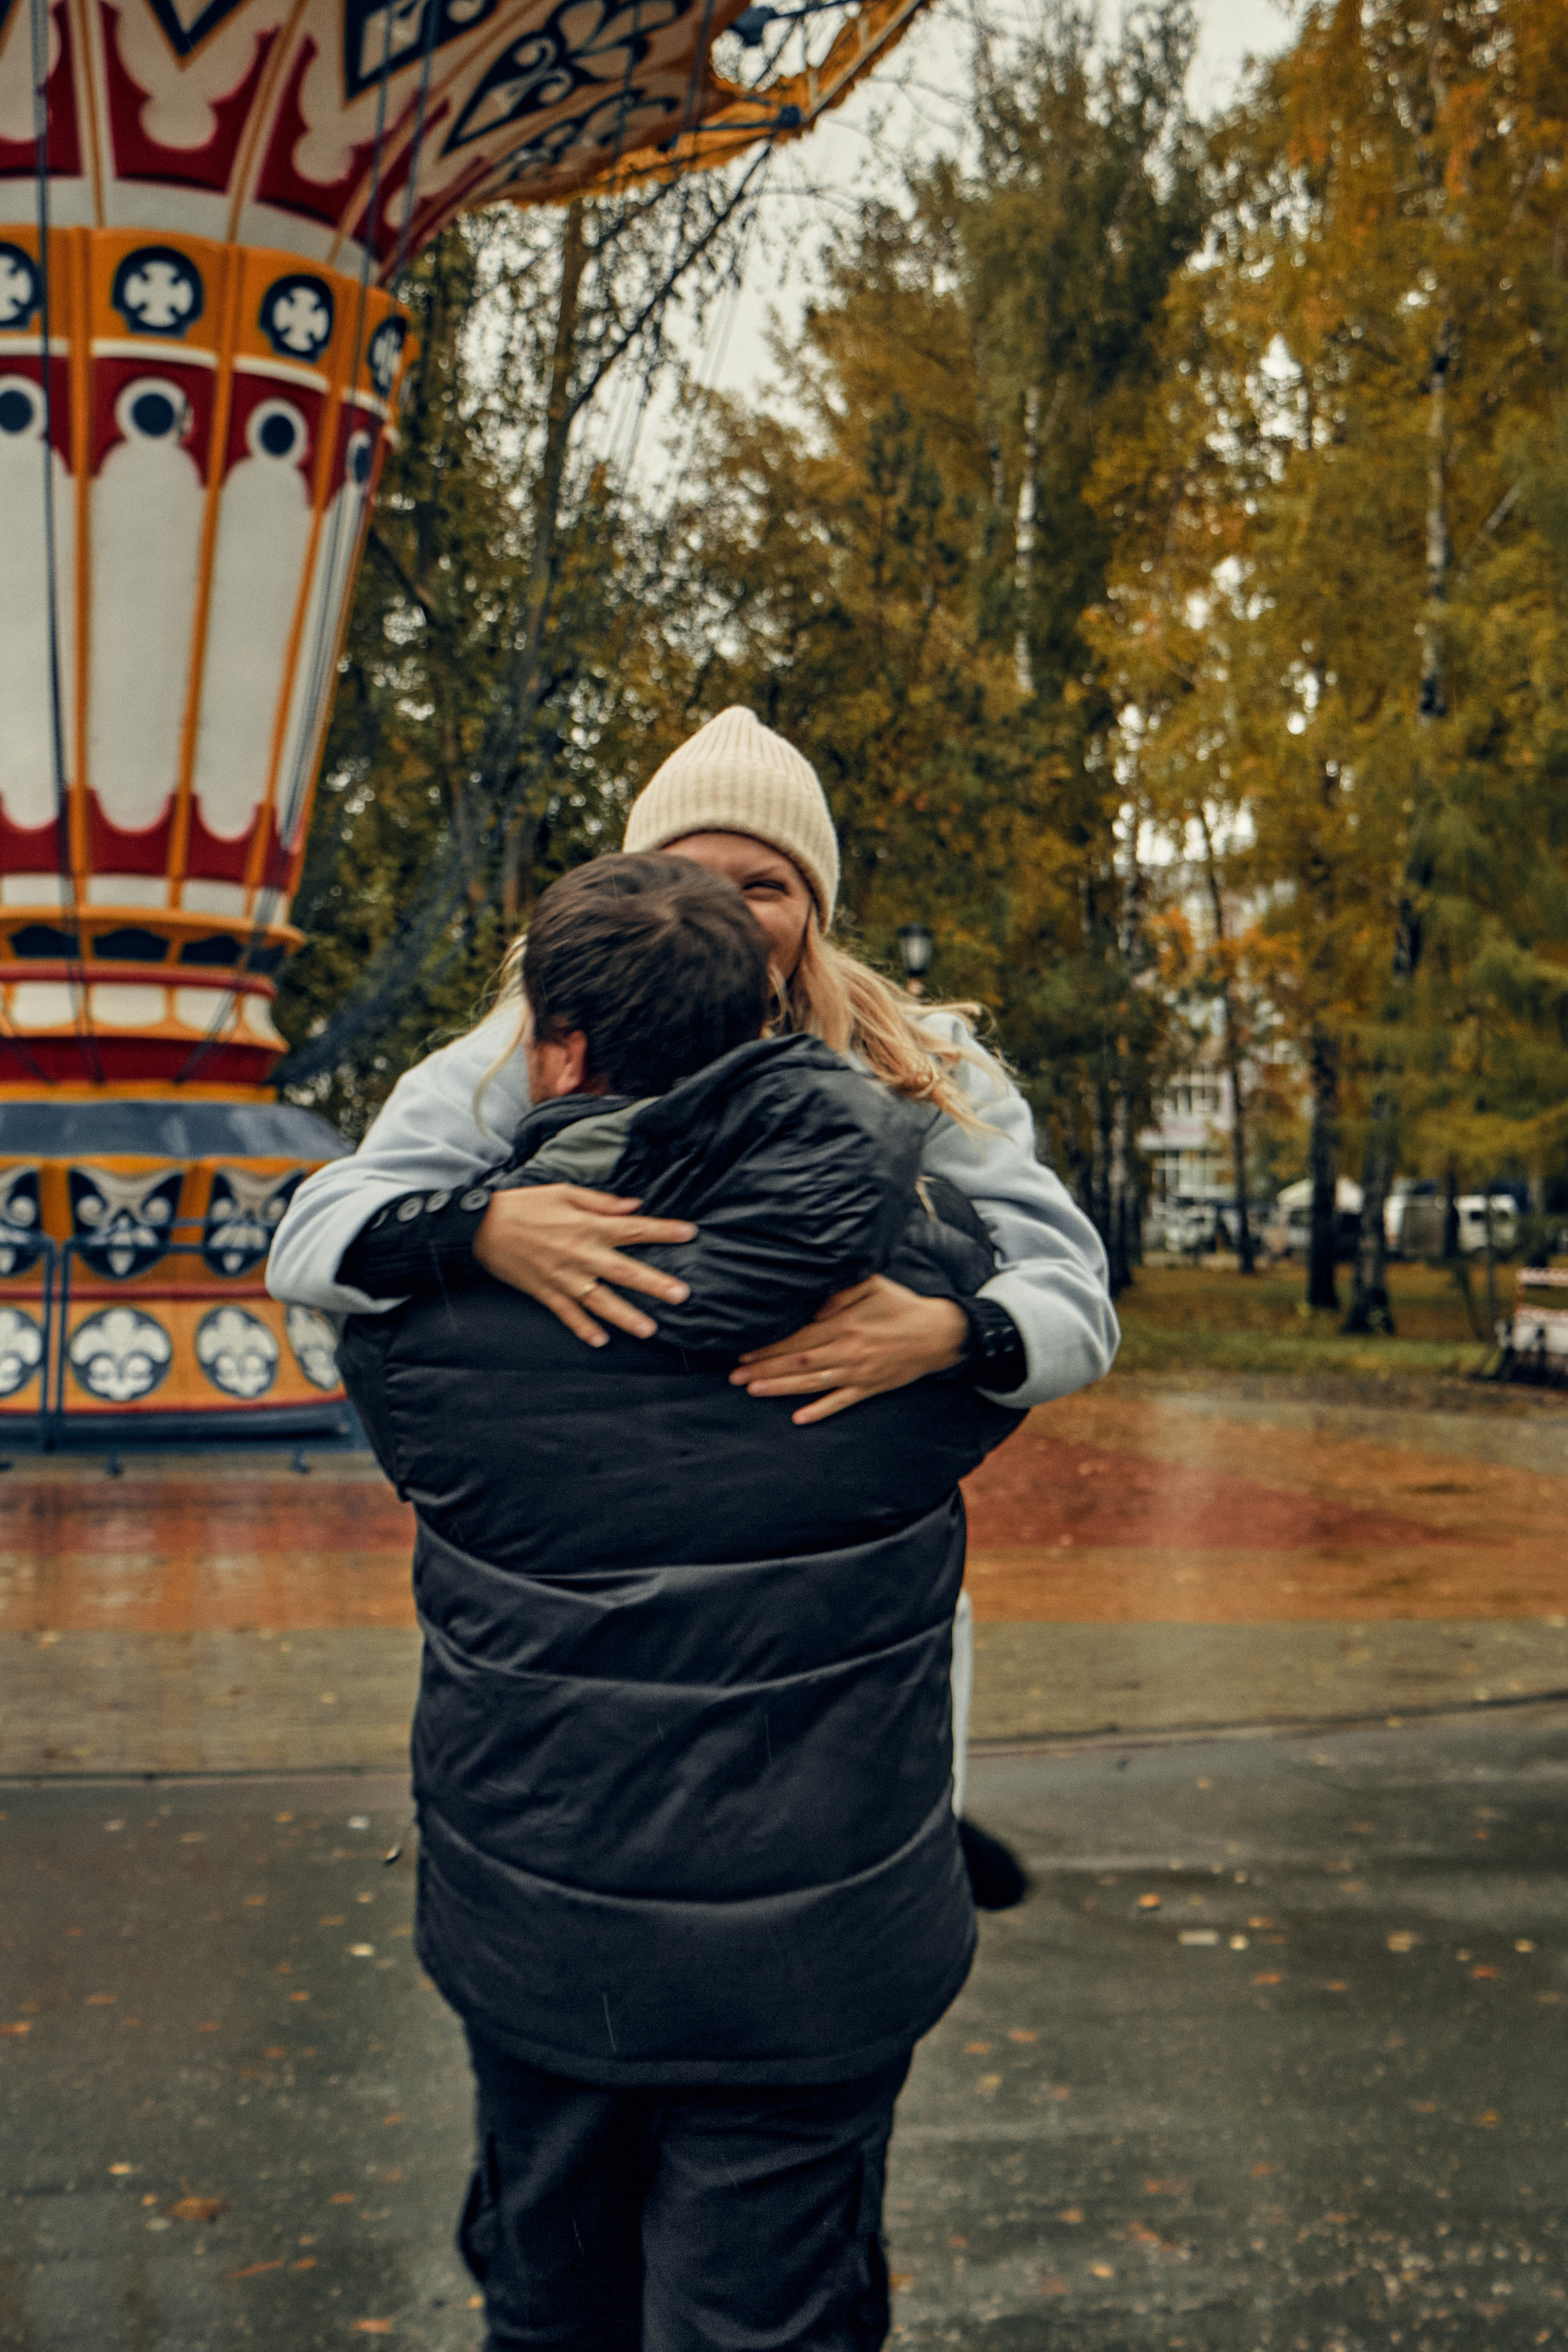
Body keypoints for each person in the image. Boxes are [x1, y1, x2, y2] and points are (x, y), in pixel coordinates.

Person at [333, 853, 1030, 2351]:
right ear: (764, 1027)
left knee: (552, 2302)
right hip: (818, 1958)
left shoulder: (421, 1339)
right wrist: (958, 1325)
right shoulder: (918, 1306)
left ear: (562, 1052)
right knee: (766, 2319)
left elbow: (335, 1258)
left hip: (539, 1933)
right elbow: (1025, 1323)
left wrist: (462, 1235)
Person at [268, 706, 1120, 1888]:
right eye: (688, 877)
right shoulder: (529, 1049)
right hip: (613, 1566)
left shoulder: (918, 1065)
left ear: (814, 908)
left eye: (762, 884)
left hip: (835, 1578)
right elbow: (309, 1236)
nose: (724, 908)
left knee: (847, 1821)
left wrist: (953, 1328)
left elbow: (1076, 1298)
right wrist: (482, 1226)